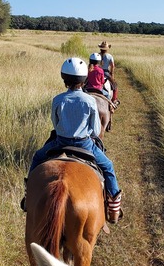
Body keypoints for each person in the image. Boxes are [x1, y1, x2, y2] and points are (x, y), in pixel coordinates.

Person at [23, 57, 123, 223]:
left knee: (37, 157)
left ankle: (28, 196)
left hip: (60, 142)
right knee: (108, 166)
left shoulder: (58, 99)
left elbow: (55, 123)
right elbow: (96, 129)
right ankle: (114, 207)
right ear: (84, 80)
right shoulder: (90, 101)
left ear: (64, 79)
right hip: (85, 144)